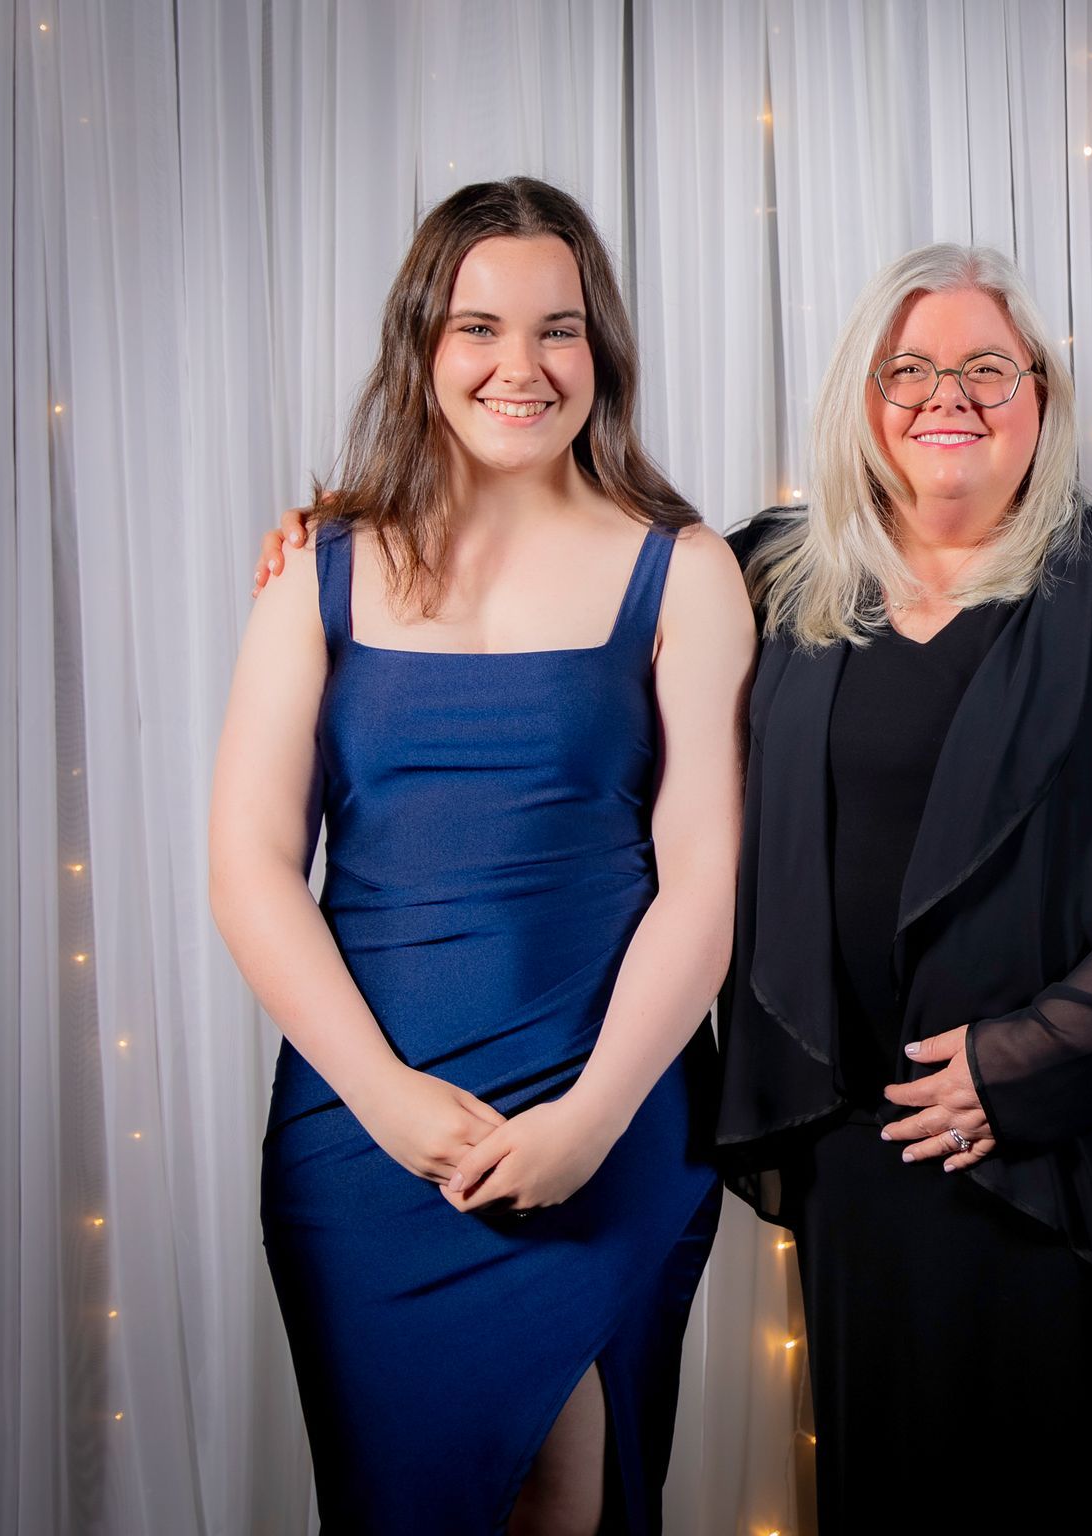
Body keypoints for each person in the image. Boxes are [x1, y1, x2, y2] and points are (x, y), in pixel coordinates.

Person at [211, 176, 753, 1535]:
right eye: (480, 328)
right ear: (423, 347)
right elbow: (250, 865)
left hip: (608, 1112)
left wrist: (590, 1119)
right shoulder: (319, 567)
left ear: (602, 350)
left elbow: (704, 880)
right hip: (361, 1133)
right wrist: (388, 1099)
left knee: (565, 1498)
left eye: (558, 329)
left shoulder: (681, 570)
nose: (522, 366)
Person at [711, 243, 1092, 1530]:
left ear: (1041, 400)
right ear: (862, 399)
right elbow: (588, 596)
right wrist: (371, 530)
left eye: (985, 368)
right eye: (909, 369)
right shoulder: (770, 575)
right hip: (859, 1144)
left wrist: (1021, 1064)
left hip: (1052, 1147)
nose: (945, 395)